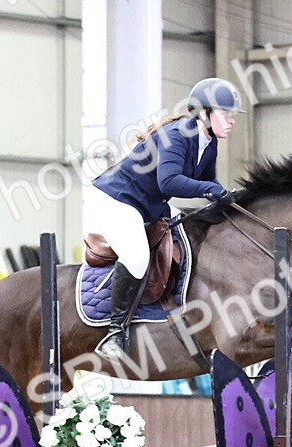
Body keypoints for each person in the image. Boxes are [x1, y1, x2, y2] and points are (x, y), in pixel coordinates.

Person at [86, 77, 242, 360]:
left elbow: (208, 182)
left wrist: (228, 200)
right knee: (136, 257)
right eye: (226, 113)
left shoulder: (208, 141)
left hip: (148, 205)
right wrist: (211, 190)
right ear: (205, 112)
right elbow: (169, 182)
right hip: (117, 200)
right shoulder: (179, 134)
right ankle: (115, 332)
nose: (232, 120)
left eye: (232, 115)